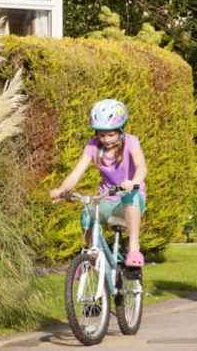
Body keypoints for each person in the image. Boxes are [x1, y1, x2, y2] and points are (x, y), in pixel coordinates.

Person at [49, 99, 148, 268]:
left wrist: (133, 182)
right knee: (86, 214)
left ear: (121, 130)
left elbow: (141, 166)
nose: (106, 139)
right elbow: (76, 174)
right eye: (102, 135)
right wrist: (62, 190)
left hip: (131, 197)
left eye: (111, 134)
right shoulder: (93, 146)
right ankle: (93, 257)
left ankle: (133, 248)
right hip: (106, 198)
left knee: (129, 198)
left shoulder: (131, 141)